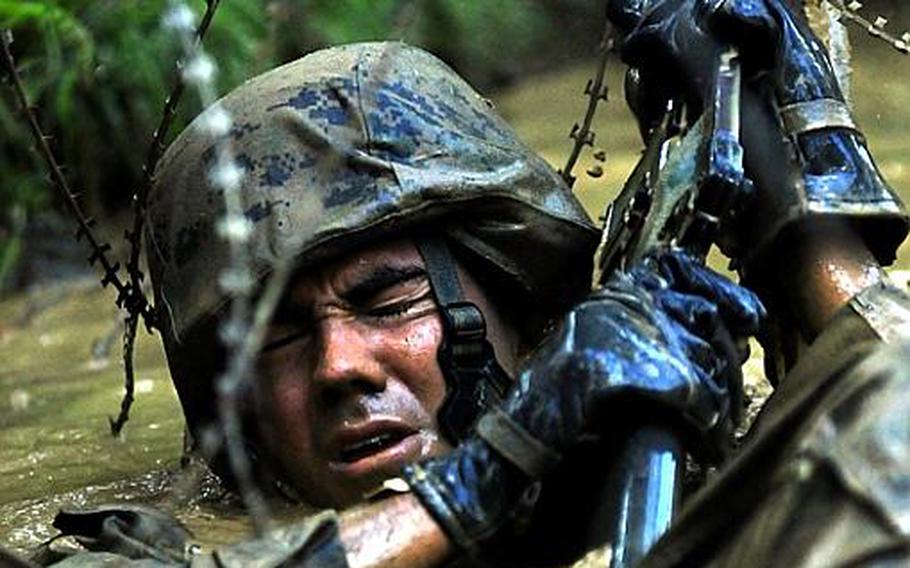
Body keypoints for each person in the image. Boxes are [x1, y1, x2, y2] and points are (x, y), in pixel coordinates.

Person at [23, 0, 910, 566]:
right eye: (279, 337)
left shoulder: (677, 446)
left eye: (385, 301)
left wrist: (801, 221)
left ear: (519, 315)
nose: (341, 366)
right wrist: (490, 474)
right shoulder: (155, 548)